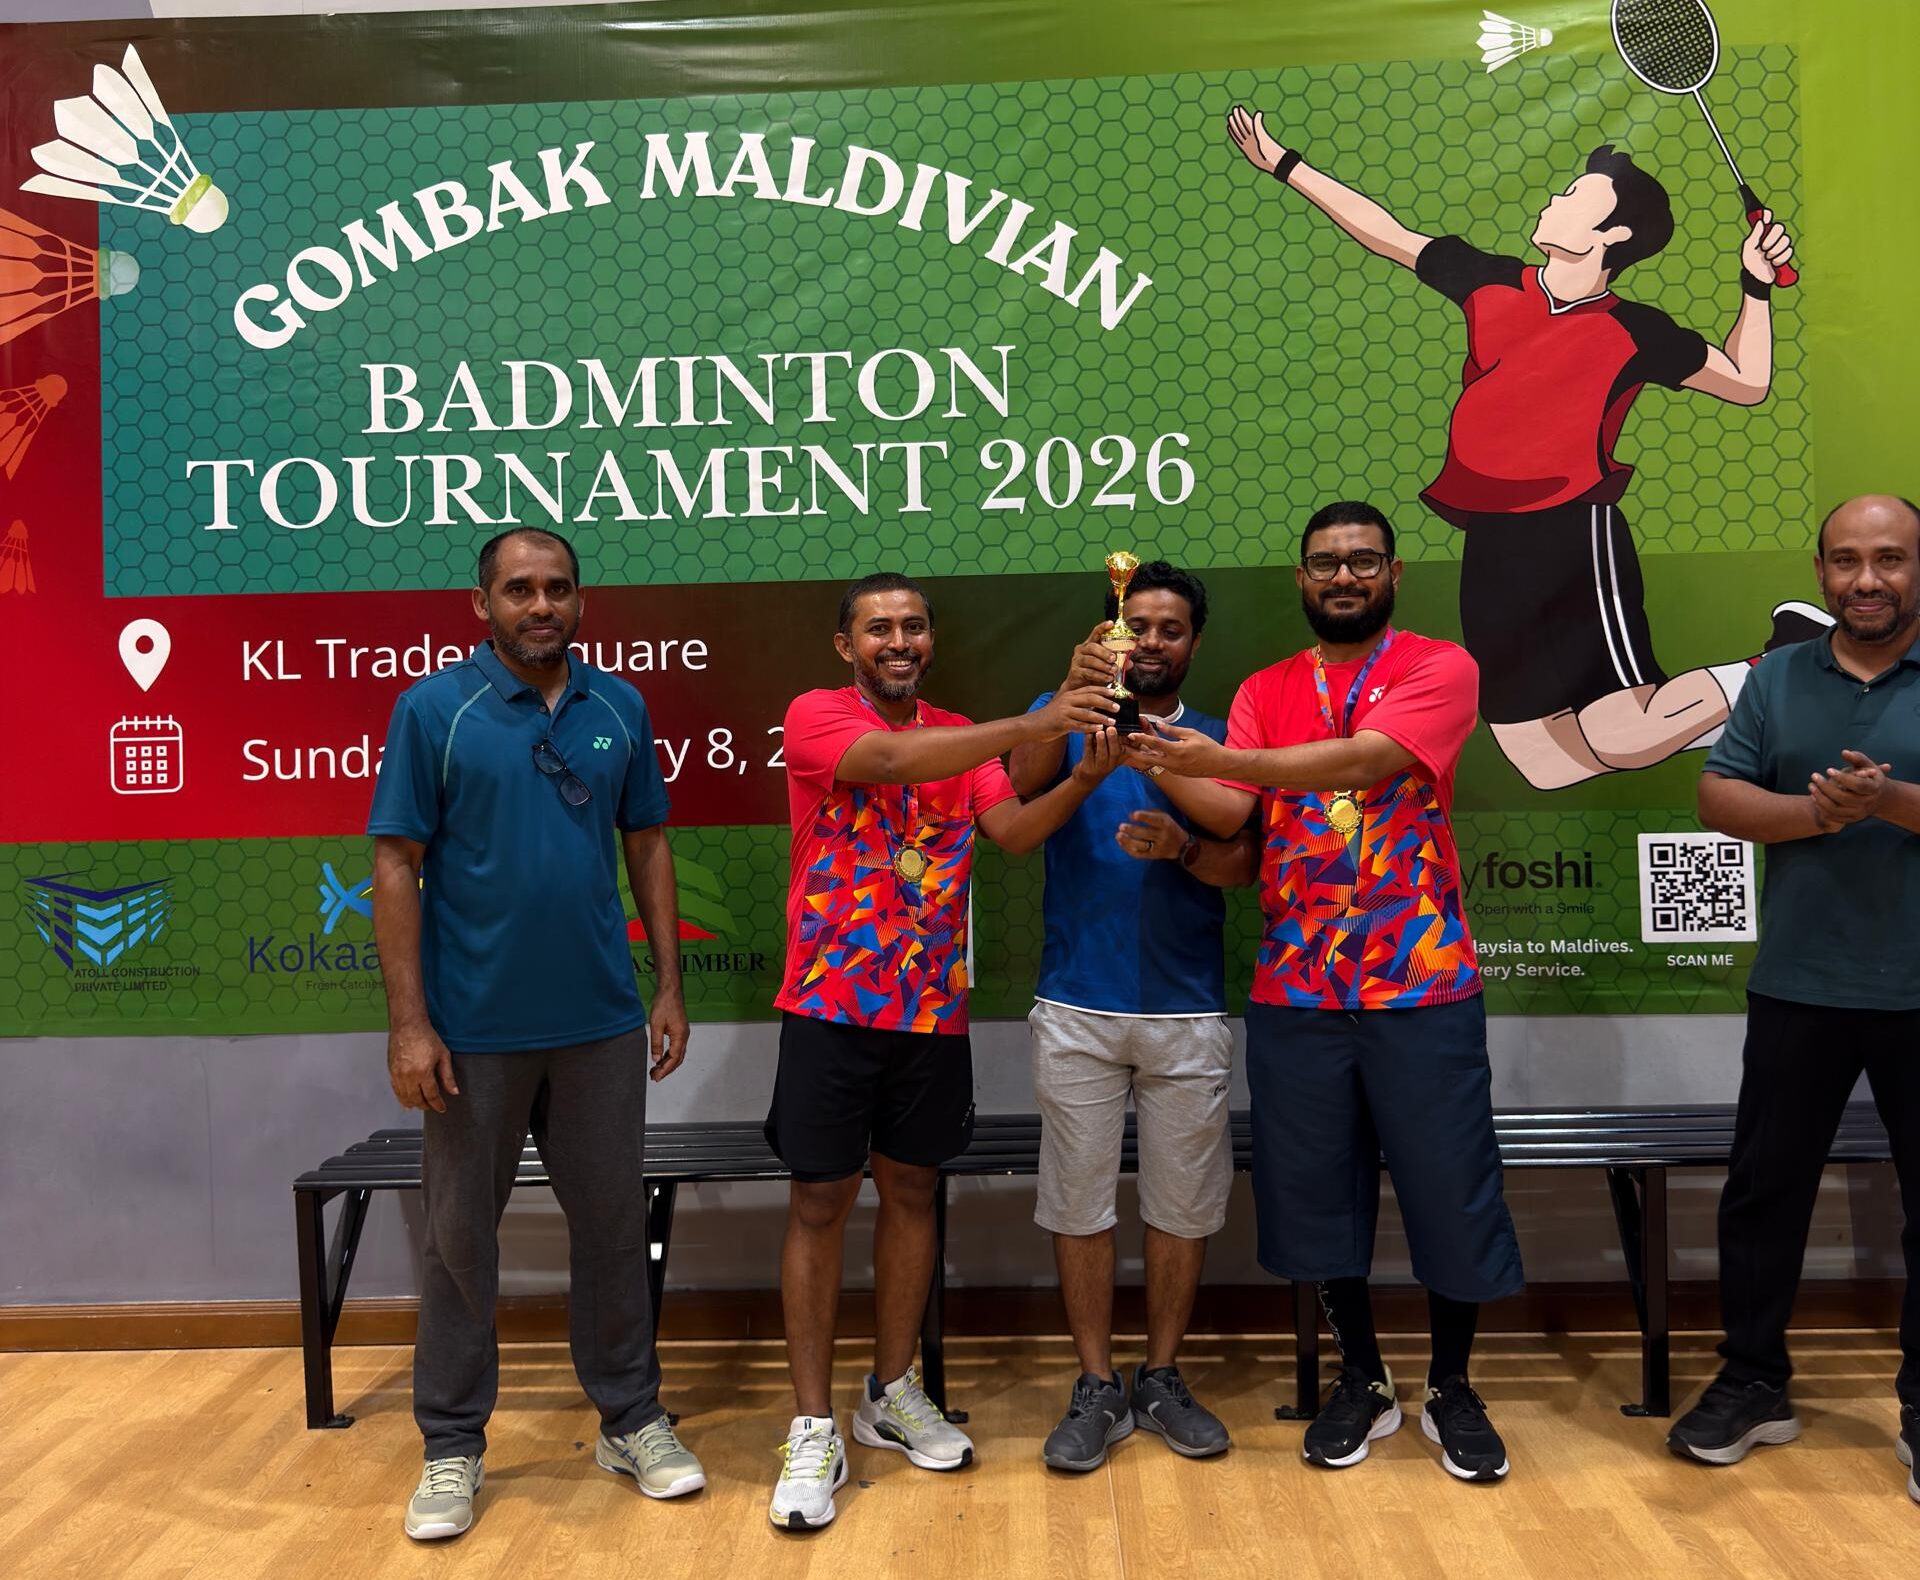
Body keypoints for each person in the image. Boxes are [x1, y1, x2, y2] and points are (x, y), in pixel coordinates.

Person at [1225, 106, 1804, 790]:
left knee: (1619, 730)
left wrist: (1755, 284)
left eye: (1576, 196)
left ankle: (1787, 666)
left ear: (1613, 235)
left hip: (1572, 532)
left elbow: (1746, 381)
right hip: (1491, 541)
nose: (1555, 198)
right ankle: (1762, 706)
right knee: (1546, 763)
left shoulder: (1634, 330)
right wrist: (1285, 165)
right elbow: (1387, 234)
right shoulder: (1493, 280)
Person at [1128, 501, 1525, 1482]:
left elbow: (1365, 759)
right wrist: (1147, 746)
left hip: (1421, 985)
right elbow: (1236, 817)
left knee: (1448, 1187)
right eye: (1325, 564)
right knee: (1316, 1197)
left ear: (1393, 573)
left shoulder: (1439, 667)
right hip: (1298, 990)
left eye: (1361, 561)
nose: (1343, 577)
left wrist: (1219, 757)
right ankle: (1363, 1378)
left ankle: (1452, 1385)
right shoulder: (1266, 688)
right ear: (1302, 579)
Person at [767, 571, 1121, 1530]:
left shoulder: (961, 735)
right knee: (818, 1203)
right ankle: (812, 1425)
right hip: (829, 1007)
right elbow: (888, 760)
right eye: (879, 627)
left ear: (930, 640)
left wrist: (1083, 776)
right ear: (846, 645)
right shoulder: (817, 716)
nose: (899, 641)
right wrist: (1036, 723)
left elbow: (1011, 830)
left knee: (914, 1194)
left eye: (914, 626)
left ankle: (890, 1392)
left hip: (930, 1015)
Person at [368, 527, 702, 1541]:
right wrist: (410, 1025)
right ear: (483, 605)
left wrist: (668, 985)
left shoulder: (620, 706)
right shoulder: (435, 709)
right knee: (459, 1239)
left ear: (581, 600)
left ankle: (631, 1418)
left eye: (557, 587)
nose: (541, 604)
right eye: (518, 589)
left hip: (599, 1023)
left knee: (613, 1228)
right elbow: (395, 864)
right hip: (473, 1033)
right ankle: (451, 1442)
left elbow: (647, 842)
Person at [1669, 494, 1920, 1504]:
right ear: (1820, 572)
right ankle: (1753, 1380)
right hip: (1799, 985)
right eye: (1847, 560)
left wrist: (1887, 800)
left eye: (1890, 559)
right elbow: (1717, 796)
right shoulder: (1777, 677)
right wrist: (1822, 813)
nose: (1868, 579)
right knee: (1764, 1195)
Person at [1006, 561, 1237, 1470]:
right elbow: (1021, 788)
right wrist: (1072, 695)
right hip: (1077, 1004)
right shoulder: (1063, 712)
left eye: (1169, 628)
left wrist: (1181, 844)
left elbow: (1241, 848)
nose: (1150, 641)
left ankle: (1163, 1376)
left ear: (1193, 643)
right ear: (1110, 632)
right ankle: (1098, 1383)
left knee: (1183, 1204)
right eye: (1135, 625)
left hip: (1187, 1009)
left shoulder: (1217, 736)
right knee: (1078, 1200)